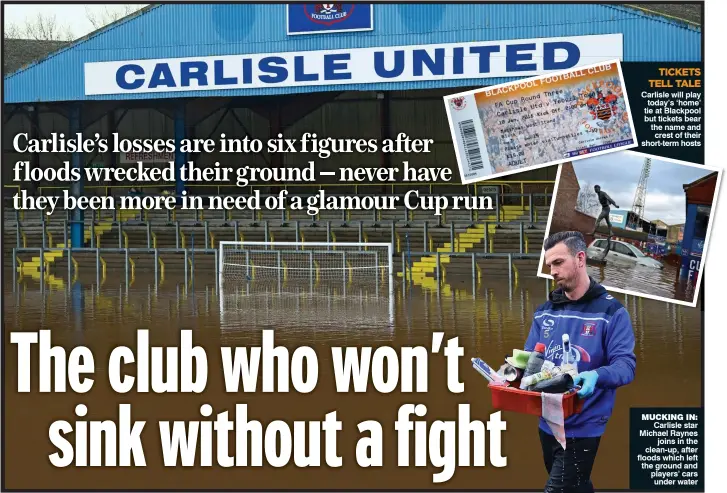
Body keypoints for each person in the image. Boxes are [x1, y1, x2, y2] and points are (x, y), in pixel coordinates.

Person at [525, 231, 636, 493]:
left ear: (581, 259)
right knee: (577, 487)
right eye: (549, 264)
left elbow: (626, 366)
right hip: (547, 421)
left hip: (584, 425)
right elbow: (530, 357)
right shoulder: (544, 311)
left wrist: (597, 375)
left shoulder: (612, 312)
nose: (552, 270)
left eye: (558, 262)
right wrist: (512, 372)